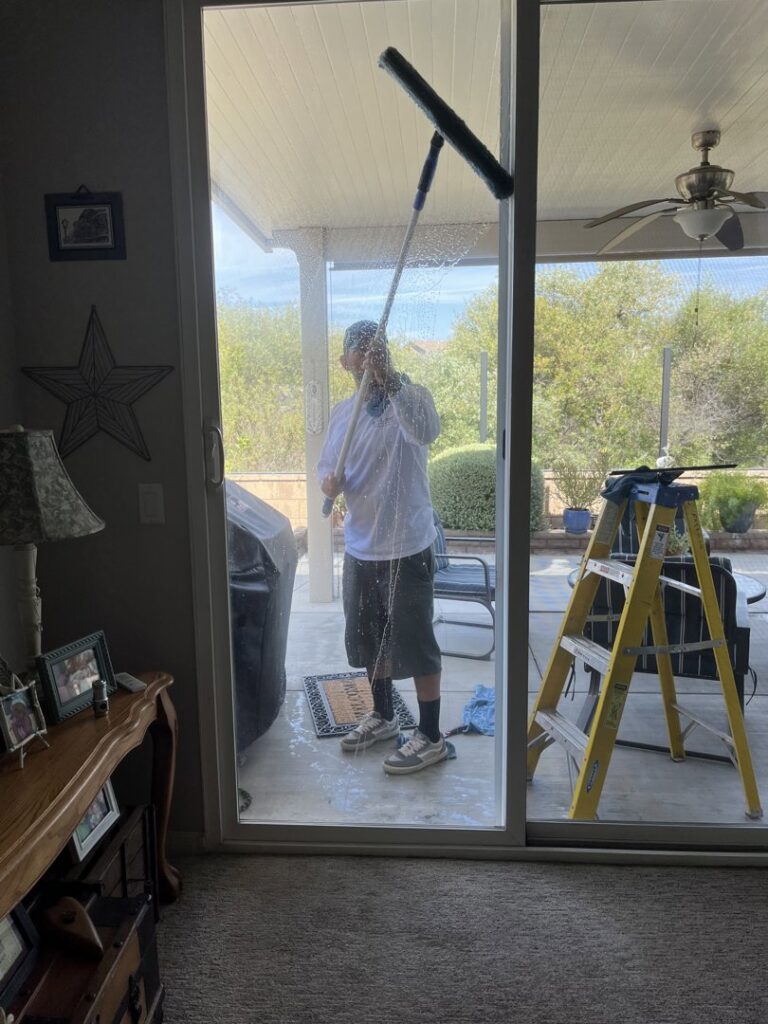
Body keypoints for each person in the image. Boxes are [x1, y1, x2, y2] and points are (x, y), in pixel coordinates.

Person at [318, 319, 447, 775]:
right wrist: (329, 484)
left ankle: (431, 736)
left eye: (375, 348)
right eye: (358, 350)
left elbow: (427, 431)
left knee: (416, 644)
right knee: (369, 641)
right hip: (360, 547)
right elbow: (327, 471)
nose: (366, 357)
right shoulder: (341, 414)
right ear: (345, 362)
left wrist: (390, 380)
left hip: (407, 547)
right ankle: (384, 716)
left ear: (386, 353)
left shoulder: (411, 399)